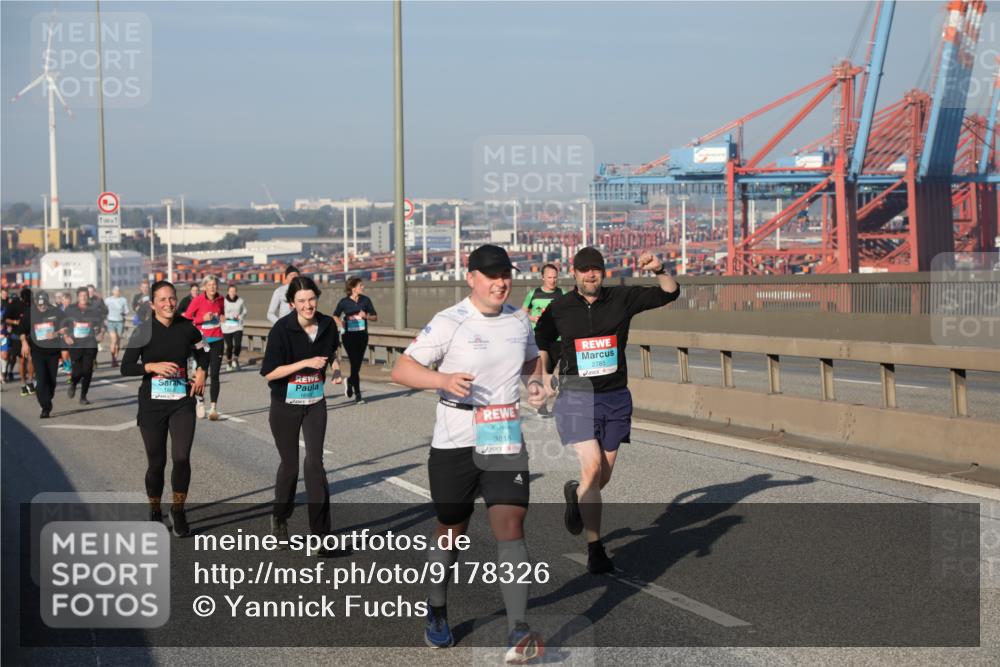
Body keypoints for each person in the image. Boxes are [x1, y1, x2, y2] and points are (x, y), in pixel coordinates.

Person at [390, 244, 547, 662]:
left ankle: (518, 630)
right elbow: (401, 369)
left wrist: (538, 386)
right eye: (491, 275)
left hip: (503, 436)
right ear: (471, 277)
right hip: (455, 439)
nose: (500, 282)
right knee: (450, 530)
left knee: (511, 524)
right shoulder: (450, 322)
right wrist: (441, 379)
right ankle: (436, 609)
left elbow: (532, 362)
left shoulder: (519, 318)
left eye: (505, 274)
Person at [534, 247, 679, 574]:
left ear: (603, 272)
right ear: (574, 271)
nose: (590, 275)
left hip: (614, 396)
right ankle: (595, 547)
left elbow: (670, 294)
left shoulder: (621, 299)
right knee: (593, 465)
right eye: (584, 270)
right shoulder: (560, 308)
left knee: (602, 476)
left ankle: (577, 494)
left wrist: (659, 269)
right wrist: (543, 375)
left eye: (595, 269)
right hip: (575, 395)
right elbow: (541, 339)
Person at [260, 276, 342, 549]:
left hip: (314, 402)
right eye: (301, 301)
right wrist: (305, 362)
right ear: (292, 303)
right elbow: (270, 372)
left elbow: (332, 351)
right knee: (291, 467)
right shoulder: (282, 330)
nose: (308, 305)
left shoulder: (328, 324)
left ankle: (320, 534)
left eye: (311, 299)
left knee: (315, 463)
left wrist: (337, 370)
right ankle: (279, 516)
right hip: (285, 405)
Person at [121, 280, 208, 535]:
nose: (169, 303)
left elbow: (204, 350)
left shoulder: (187, 328)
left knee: (181, 458)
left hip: (181, 401)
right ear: (153, 304)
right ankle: (155, 510)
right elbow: (126, 367)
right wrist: (150, 367)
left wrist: (202, 371)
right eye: (162, 300)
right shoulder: (143, 331)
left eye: (172, 298)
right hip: (152, 406)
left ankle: (178, 511)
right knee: (156, 463)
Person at [521, 263, 563, 417]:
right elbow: (523, 312)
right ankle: (543, 405)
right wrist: (532, 317)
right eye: (549, 277)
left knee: (549, 372)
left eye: (555, 277)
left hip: (557, 338)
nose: (552, 281)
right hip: (538, 336)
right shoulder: (534, 294)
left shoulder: (562, 294)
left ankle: (543, 403)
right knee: (543, 369)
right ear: (542, 277)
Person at [184, 275, 225, 420]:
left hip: (218, 339)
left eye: (214, 284)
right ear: (204, 287)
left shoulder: (221, 299)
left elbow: (221, 312)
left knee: (215, 374)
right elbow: (188, 317)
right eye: (210, 285)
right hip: (203, 341)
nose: (212, 287)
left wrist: (222, 317)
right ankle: (200, 401)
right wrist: (202, 319)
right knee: (203, 374)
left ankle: (213, 408)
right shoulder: (198, 300)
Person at [20, 291, 66, 418]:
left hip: (53, 352)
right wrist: (24, 342)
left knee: (51, 381)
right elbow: (21, 330)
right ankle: (45, 407)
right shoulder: (30, 312)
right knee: (41, 381)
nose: (41, 308)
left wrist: (56, 334)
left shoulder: (56, 311)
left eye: (43, 305)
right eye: (39, 305)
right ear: (36, 303)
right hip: (37, 352)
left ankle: (47, 399)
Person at [333, 277, 377, 404]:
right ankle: (358, 395)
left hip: (362, 336)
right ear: (353, 289)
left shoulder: (366, 300)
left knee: (357, 364)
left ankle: (350, 381)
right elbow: (335, 315)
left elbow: (375, 316)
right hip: (348, 336)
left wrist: (367, 316)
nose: (363, 287)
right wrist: (340, 323)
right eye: (360, 285)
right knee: (354, 362)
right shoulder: (344, 302)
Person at [61, 287, 105, 405]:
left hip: (90, 343)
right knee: (77, 372)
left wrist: (101, 333)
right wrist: (66, 337)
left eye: (85, 295)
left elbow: (101, 324)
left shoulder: (94, 310)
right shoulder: (70, 309)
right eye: (81, 296)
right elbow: (63, 325)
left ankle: (83, 396)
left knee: (88, 371)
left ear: (88, 296)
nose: (84, 298)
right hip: (75, 343)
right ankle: (73, 384)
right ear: (78, 297)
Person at [222, 284, 247, 371]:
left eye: (234, 291)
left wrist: (240, 316)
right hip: (226, 326)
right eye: (231, 291)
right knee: (229, 346)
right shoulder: (223, 301)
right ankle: (229, 362)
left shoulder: (240, 300)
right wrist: (224, 316)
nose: (232, 293)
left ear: (236, 292)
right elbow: (219, 311)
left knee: (238, 345)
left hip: (237, 325)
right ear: (228, 292)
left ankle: (235, 359)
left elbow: (245, 311)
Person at [105, 286, 130, 366]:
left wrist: (123, 313)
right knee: (114, 339)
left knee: (118, 341)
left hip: (120, 322)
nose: (117, 292)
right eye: (116, 291)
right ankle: (113, 358)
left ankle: (115, 358)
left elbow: (126, 311)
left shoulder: (123, 300)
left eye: (118, 291)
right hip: (110, 321)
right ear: (113, 292)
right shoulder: (108, 300)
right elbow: (104, 310)